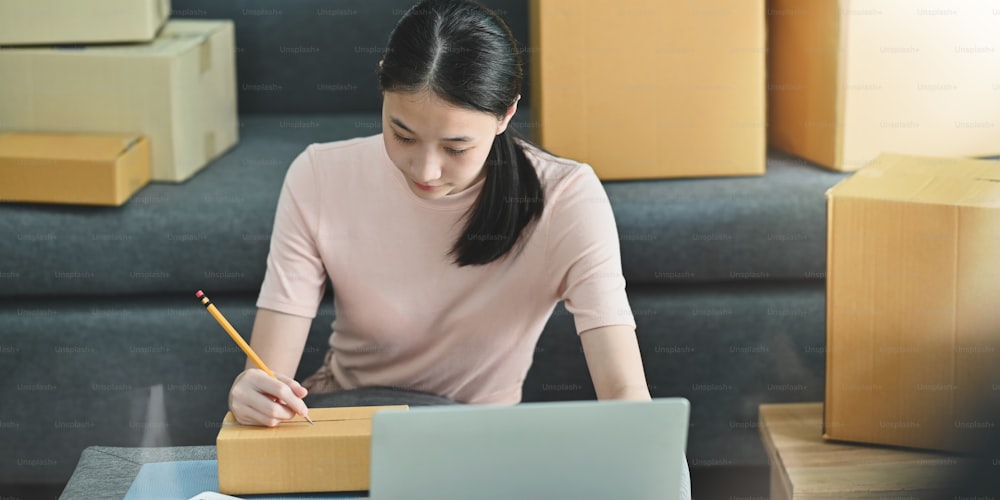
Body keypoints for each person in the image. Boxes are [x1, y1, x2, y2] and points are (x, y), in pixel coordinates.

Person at [227, 0, 691, 496]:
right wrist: (252, 392)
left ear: (505, 113)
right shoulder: (319, 175)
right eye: (402, 134)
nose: (425, 171)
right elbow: (267, 373)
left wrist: (650, 462)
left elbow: (623, 391)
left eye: (455, 148)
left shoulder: (566, 199)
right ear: (383, 84)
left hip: (475, 452)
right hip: (344, 425)